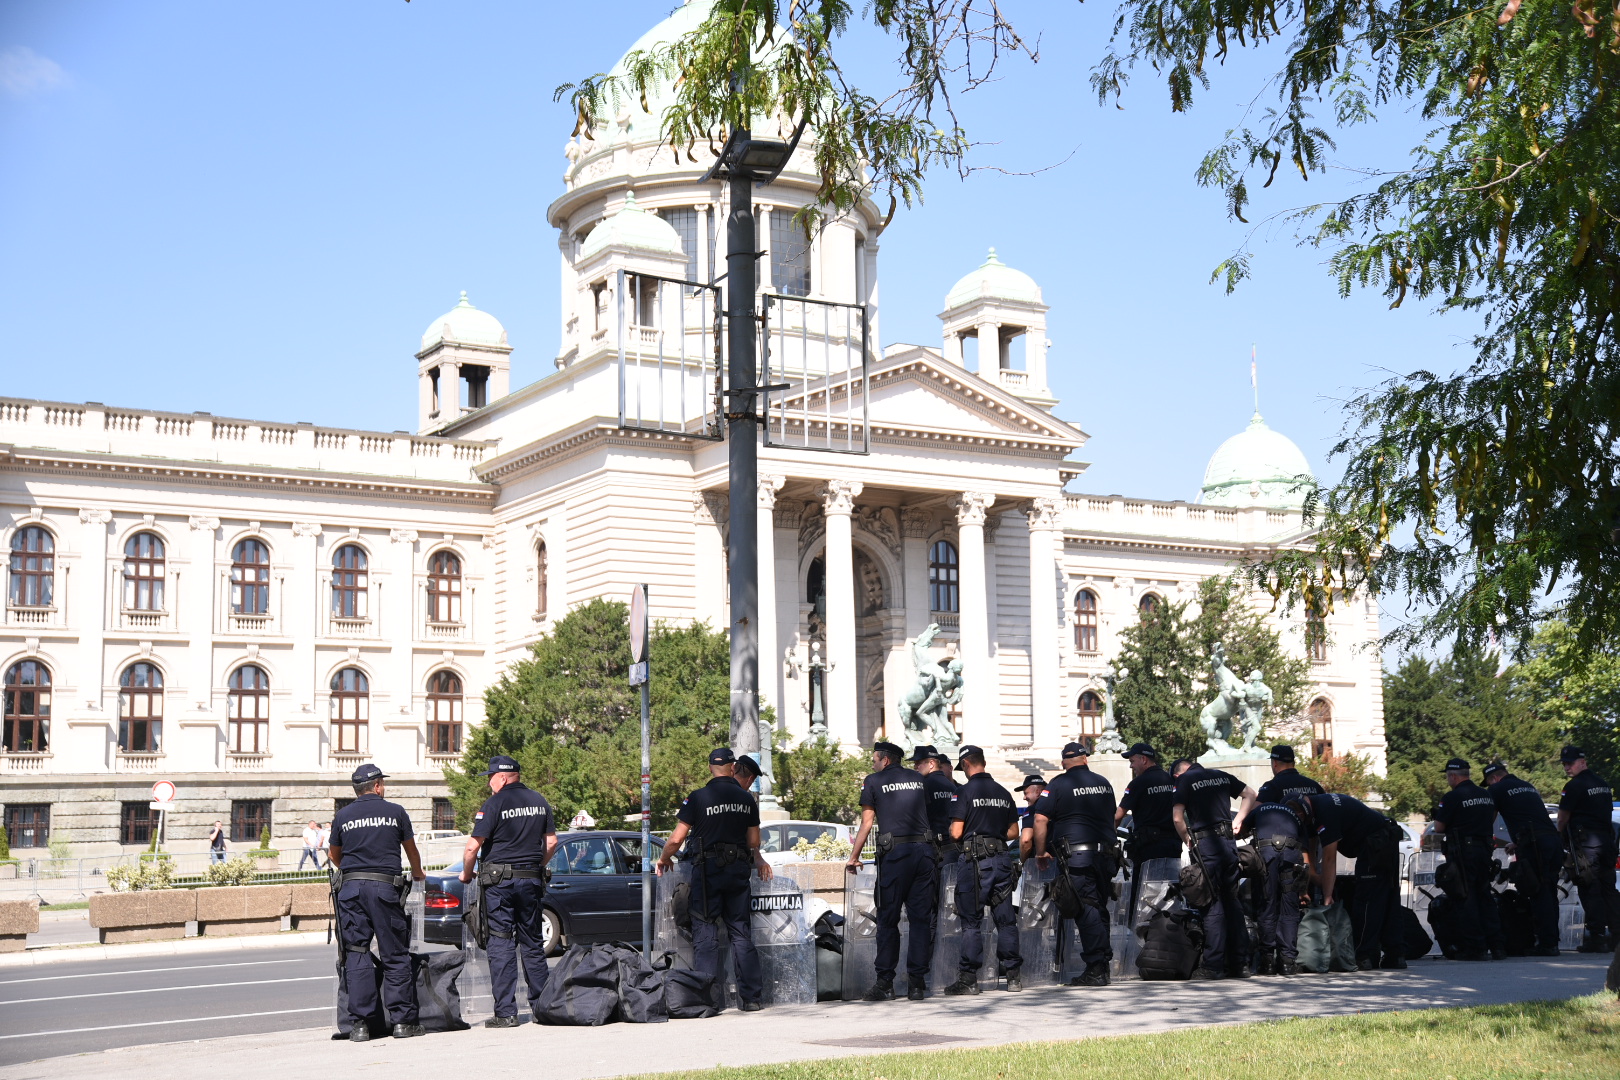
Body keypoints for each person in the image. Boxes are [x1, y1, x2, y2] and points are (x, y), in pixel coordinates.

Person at [658, 747, 772, 1012]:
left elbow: (676, 839)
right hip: (737, 872)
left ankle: (707, 1001)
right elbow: (754, 841)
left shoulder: (698, 798)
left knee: (706, 933)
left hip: (708, 873)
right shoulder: (746, 800)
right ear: (733, 768)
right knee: (740, 933)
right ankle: (752, 999)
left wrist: (664, 858)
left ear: (710, 768)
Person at [328, 763, 427, 1041]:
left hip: (351, 889)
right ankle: (402, 1023)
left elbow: (335, 855)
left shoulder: (343, 816)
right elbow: (411, 850)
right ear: (378, 786)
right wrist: (418, 873)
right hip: (385, 888)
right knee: (394, 953)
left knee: (357, 952)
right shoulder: (395, 812)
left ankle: (360, 1025)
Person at [459, 755, 559, 1027]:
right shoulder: (539, 801)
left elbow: (472, 848)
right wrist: (535, 866)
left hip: (500, 885)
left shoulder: (494, 804)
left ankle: (506, 1013)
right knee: (532, 942)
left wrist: (466, 874)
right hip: (531, 882)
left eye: (490, 777)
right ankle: (542, 1007)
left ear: (502, 777)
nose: (488, 783)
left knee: (501, 943)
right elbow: (551, 843)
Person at [845, 740, 936, 1002]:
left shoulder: (873, 781)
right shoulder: (919, 779)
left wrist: (854, 857)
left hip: (896, 857)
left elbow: (867, 822)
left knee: (887, 919)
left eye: (874, 759)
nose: (873, 764)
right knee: (920, 920)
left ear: (885, 760)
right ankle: (917, 984)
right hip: (923, 854)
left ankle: (885, 982)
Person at [1288, 789, 1406, 970]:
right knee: (1387, 897)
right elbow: (1311, 847)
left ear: (1303, 809)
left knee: (1367, 900)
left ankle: (1364, 955)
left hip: (1376, 842)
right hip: (1383, 839)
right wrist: (1313, 875)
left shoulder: (1326, 812)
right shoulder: (1314, 809)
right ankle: (1394, 955)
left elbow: (1329, 858)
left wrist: (1327, 895)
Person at [1032, 741, 1118, 987]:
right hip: (1105, 856)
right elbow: (1111, 818)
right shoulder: (1103, 783)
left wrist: (1040, 853)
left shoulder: (1058, 784)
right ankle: (1103, 963)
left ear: (1063, 763)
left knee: (1087, 909)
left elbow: (1040, 819)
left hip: (1078, 859)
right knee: (1099, 908)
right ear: (1086, 759)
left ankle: (1096, 968)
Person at [943, 745, 1022, 995]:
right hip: (1001, 860)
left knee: (971, 920)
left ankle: (969, 979)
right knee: (1006, 919)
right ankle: (1013, 977)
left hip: (976, 862)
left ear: (966, 764)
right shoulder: (1003, 792)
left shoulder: (963, 792)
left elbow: (956, 832)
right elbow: (1013, 832)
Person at [1172, 759, 1257, 980]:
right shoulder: (1221, 775)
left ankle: (1212, 965)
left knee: (1212, 905)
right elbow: (1250, 794)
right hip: (1228, 846)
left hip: (1207, 845)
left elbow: (1177, 817)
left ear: (1179, 774)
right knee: (1232, 902)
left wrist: (1186, 839)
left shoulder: (1185, 780)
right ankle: (1240, 964)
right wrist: (1237, 821)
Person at [1484, 759, 1564, 956]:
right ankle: (1551, 939)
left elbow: (1488, 819)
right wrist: (1517, 844)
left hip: (1535, 846)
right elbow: (1532, 817)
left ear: (1494, 778)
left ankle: (1547, 944)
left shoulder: (1497, 790)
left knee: (1539, 892)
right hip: (1551, 841)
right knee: (1549, 891)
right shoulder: (1527, 786)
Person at [1432, 757, 1505, 961]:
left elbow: (1438, 827)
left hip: (1464, 852)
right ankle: (1498, 946)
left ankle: (1476, 947)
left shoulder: (1453, 797)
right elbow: (1491, 818)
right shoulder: (1485, 794)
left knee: (1466, 897)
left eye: (1448, 777)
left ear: (1453, 776)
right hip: (1484, 850)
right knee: (1485, 896)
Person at [1557, 745, 1620, 952]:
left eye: (1570, 763)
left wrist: (1559, 835)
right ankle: (1616, 937)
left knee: (1590, 889)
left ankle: (1597, 937)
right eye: (1565, 764)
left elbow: (1564, 817)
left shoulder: (1574, 786)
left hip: (1586, 845)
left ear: (1582, 762)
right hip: (1606, 844)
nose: (1567, 767)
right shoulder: (1602, 784)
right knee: (1609, 890)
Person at [1247, 794, 1309, 975]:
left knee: (1267, 905)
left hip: (1267, 856)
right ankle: (1288, 962)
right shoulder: (1295, 815)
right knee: (1289, 908)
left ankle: (1267, 962)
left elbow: (1241, 830)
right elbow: (1305, 851)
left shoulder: (1259, 809)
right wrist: (1304, 889)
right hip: (1290, 857)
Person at [913, 745, 960, 865]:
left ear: (931, 763)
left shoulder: (923, 785)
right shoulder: (953, 787)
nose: (915, 767)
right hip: (954, 848)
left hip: (933, 851)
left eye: (919, 763)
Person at [1256, 745, 1325, 804]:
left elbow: (1254, 813)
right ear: (1294, 763)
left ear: (1275, 763)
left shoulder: (1271, 787)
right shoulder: (1314, 785)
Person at [1017, 775, 1047, 860]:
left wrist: (1023, 861)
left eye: (1026, 793)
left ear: (1037, 792)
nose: (1024, 798)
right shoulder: (1056, 807)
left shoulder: (1032, 810)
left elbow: (1025, 840)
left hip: (1041, 865)